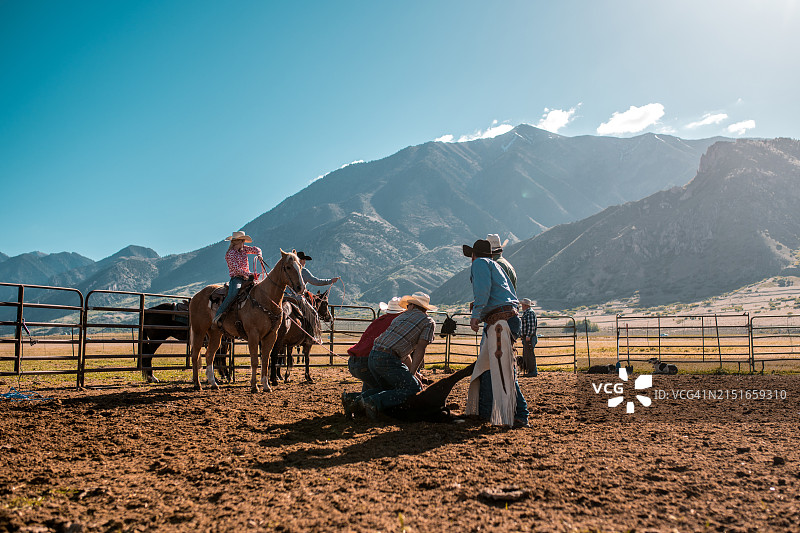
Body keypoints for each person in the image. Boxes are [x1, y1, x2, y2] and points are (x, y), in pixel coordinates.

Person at [462, 238, 529, 428]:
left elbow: (482, 291)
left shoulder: (480, 264)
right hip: (505, 319)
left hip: (499, 322)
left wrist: (475, 315)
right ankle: (484, 412)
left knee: (501, 370)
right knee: (489, 368)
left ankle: (521, 414)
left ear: (473, 255)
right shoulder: (497, 266)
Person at [345, 292, 437, 420]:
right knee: (412, 387)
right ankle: (373, 402)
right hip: (388, 358)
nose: (406, 307)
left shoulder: (400, 317)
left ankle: (353, 399)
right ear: (424, 308)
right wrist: (412, 373)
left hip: (374, 355)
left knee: (387, 387)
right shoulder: (428, 322)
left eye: (408, 305)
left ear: (412, 306)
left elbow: (403, 352)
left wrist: (412, 373)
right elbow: (421, 348)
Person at [344, 297, 404, 397]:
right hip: (368, 362)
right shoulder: (396, 324)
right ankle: (354, 399)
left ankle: (353, 399)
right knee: (385, 390)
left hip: (355, 361)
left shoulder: (380, 320)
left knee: (372, 386)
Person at [213, 231, 262, 327]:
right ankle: (217, 315)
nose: (244, 243)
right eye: (243, 241)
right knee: (233, 294)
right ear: (237, 242)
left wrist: (259, 255)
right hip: (237, 279)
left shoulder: (244, 249)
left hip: (247, 278)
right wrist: (250, 274)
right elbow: (236, 269)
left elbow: (256, 249)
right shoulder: (230, 254)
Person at [519, 298, 538, 377]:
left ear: (526, 305)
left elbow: (531, 326)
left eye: (523, 305)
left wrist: (528, 335)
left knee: (529, 354)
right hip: (527, 337)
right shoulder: (528, 313)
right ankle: (531, 371)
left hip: (528, 337)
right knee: (528, 354)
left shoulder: (529, 313)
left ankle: (532, 371)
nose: (522, 306)